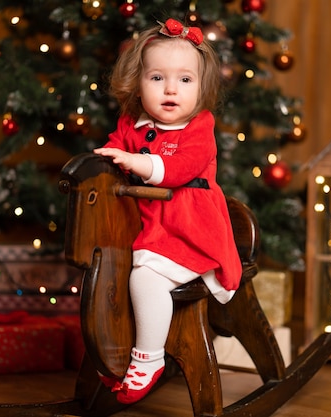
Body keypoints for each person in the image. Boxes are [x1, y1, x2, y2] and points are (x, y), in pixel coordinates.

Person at [93, 18, 242, 404]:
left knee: (145, 279)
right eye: (157, 78)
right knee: (106, 273)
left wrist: (133, 161)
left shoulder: (199, 127)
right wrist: (105, 162)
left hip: (190, 227)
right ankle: (111, 357)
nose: (171, 89)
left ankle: (148, 361)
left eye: (185, 80)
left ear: (201, 87)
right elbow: (111, 157)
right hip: (145, 226)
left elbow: (176, 171)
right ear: (137, 83)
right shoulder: (131, 123)